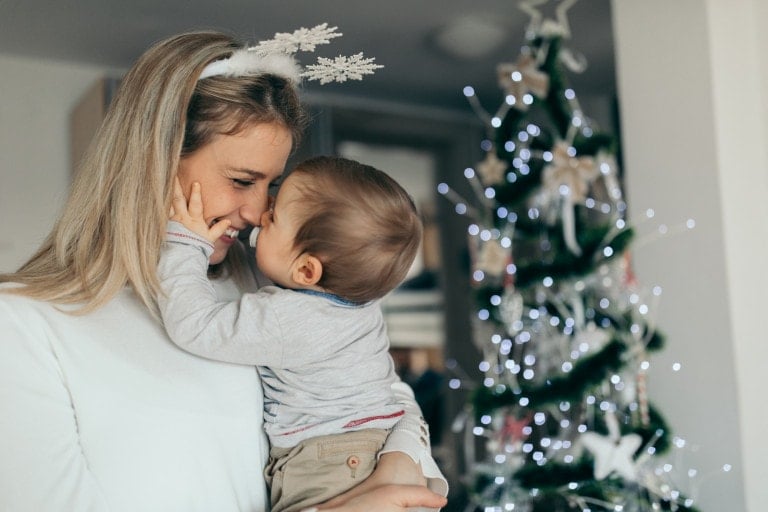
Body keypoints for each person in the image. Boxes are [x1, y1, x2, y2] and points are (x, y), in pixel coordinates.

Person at [0, 27, 448, 512]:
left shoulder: (262, 286)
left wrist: (397, 466)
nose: (258, 213)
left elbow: (383, 394)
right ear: (156, 159)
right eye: (241, 180)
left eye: (271, 185)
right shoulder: (23, 326)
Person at [158, 155, 435, 512]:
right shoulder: (359, 305)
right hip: (372, 444)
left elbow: (195, 326)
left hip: (329, 461)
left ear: (306, 270)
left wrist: (185, 245)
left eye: (273, 218)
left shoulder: (287, 318)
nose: (260, 215)